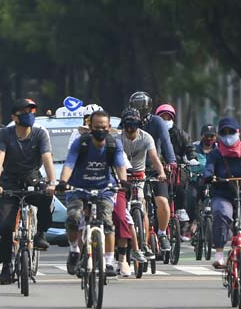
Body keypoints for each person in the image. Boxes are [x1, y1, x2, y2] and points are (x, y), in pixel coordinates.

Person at [0, 98, 56, 284]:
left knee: (45, 198)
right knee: (6, 227)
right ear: (14, 117)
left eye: (32, 111)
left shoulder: (40, 134)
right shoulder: (4, 134)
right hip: (8, 181)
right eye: (24, 112)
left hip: (32, 178)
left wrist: (52, 182)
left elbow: (47, 158)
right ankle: (5, 266)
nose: (29, 115)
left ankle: (40, 232)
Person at [57, 109, 128, 277]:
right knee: (73, 218)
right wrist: (63, 182)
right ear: (90, 127)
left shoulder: (113, 144)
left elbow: (119, 165)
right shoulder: (81, 143)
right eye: (97, 126)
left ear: (109, 127)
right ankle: (74, 250)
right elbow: (69, 164)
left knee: (107, 223)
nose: (100, 130)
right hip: (79, 188)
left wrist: (124, 182)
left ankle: (109, 262)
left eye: (104, 127)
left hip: (104, 188)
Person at [204, 116, 241, 285]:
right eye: (224, 132)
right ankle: (219, 253)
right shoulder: (215, 154)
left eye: (232, 132)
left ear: (238, 133)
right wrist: (209, 176)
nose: (228, 135)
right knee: (221, 213)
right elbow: (209, 168)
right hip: (223, 193)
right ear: (220, 135)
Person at [118, 107, 166, 272]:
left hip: (139, 176)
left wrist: (161, 172)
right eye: (128, 125)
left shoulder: (146, 138)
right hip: (122, 177)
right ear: (123, 125)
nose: (131, 129)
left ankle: (144, 244)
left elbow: (154, 157)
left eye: (135, 124)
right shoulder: (117, 138)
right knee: (121, 210)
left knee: (142, 207)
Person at [128, 91, 177, 252]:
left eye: (142, 107)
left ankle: (162, 233)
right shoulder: (128, 121)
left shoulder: (157, 122)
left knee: (162, 202)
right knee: (139, 205)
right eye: (136, 107)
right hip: (133, 168)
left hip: (156, 167)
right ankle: (141, 238)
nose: (140, 111)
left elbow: (166, 142)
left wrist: (171, 162)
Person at [156, 103, 198, 237]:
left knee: (181, 182)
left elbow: (189, 148)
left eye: (168, 118)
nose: (165, 120)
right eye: (162, 117)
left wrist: (192, 158)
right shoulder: (152, 133)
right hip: (158, 167)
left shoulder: (180, 133)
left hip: (176, 167)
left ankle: (180, 209)